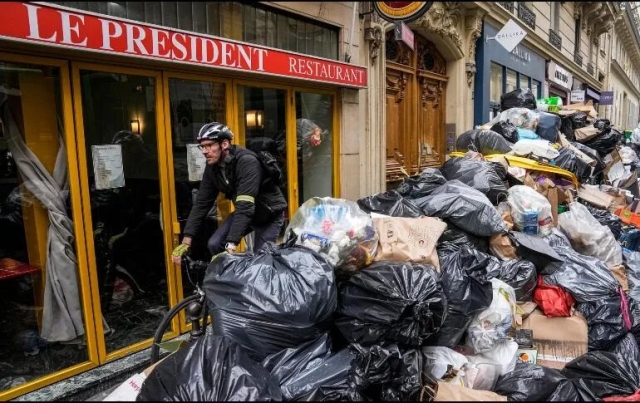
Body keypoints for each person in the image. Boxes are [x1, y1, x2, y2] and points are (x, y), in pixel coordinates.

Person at [171, 122, 287, 264]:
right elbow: (201, 203)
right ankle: (229, 282)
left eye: (209, 145)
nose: (204, 151)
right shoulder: (213, 166)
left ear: (224, 144)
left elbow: (245, 206)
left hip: (269, 215)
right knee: (214, 244)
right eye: (202, 146)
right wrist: (186, 240)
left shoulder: (247, 162)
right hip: (245, 213)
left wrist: (231, 245)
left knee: (261, 261)